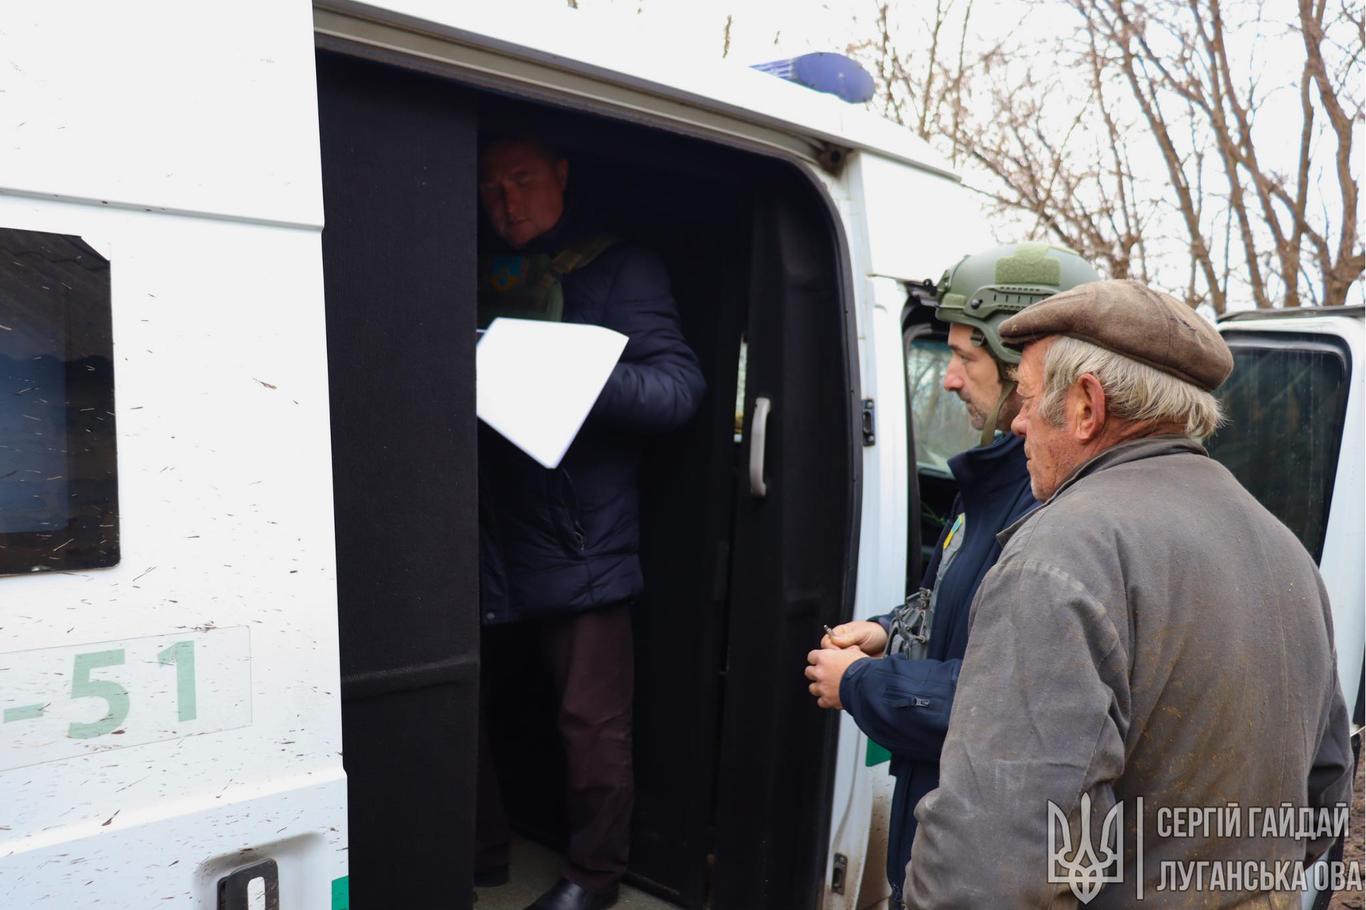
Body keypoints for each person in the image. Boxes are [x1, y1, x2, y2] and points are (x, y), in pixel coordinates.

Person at [905, 279, 1353, 907]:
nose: (1018, 419)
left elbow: (993, 869)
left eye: (1029, 398)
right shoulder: (1286, 552)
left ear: (1087, 406)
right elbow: (1324, 796)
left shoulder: (1061, 553)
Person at [803, 243, 1099, 909]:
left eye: (966, 357)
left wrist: (860, 683)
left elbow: (1003, 702)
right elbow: (957, 610)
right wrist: (888, 632)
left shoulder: (1046, 509)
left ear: (1028, 363)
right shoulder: (996, 478)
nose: (951, 378)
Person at [475, 134, 706, 910]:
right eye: (490, 187)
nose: (505, 201)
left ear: (561, 176)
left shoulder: (619, 268)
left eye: (522, 178)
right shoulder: (466, 265)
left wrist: (569, 373)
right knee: (469, 698)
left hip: (580, 540)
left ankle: (593, 879)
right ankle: (481, 851)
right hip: (481, 529)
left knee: (591, 726)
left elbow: (678, 390)